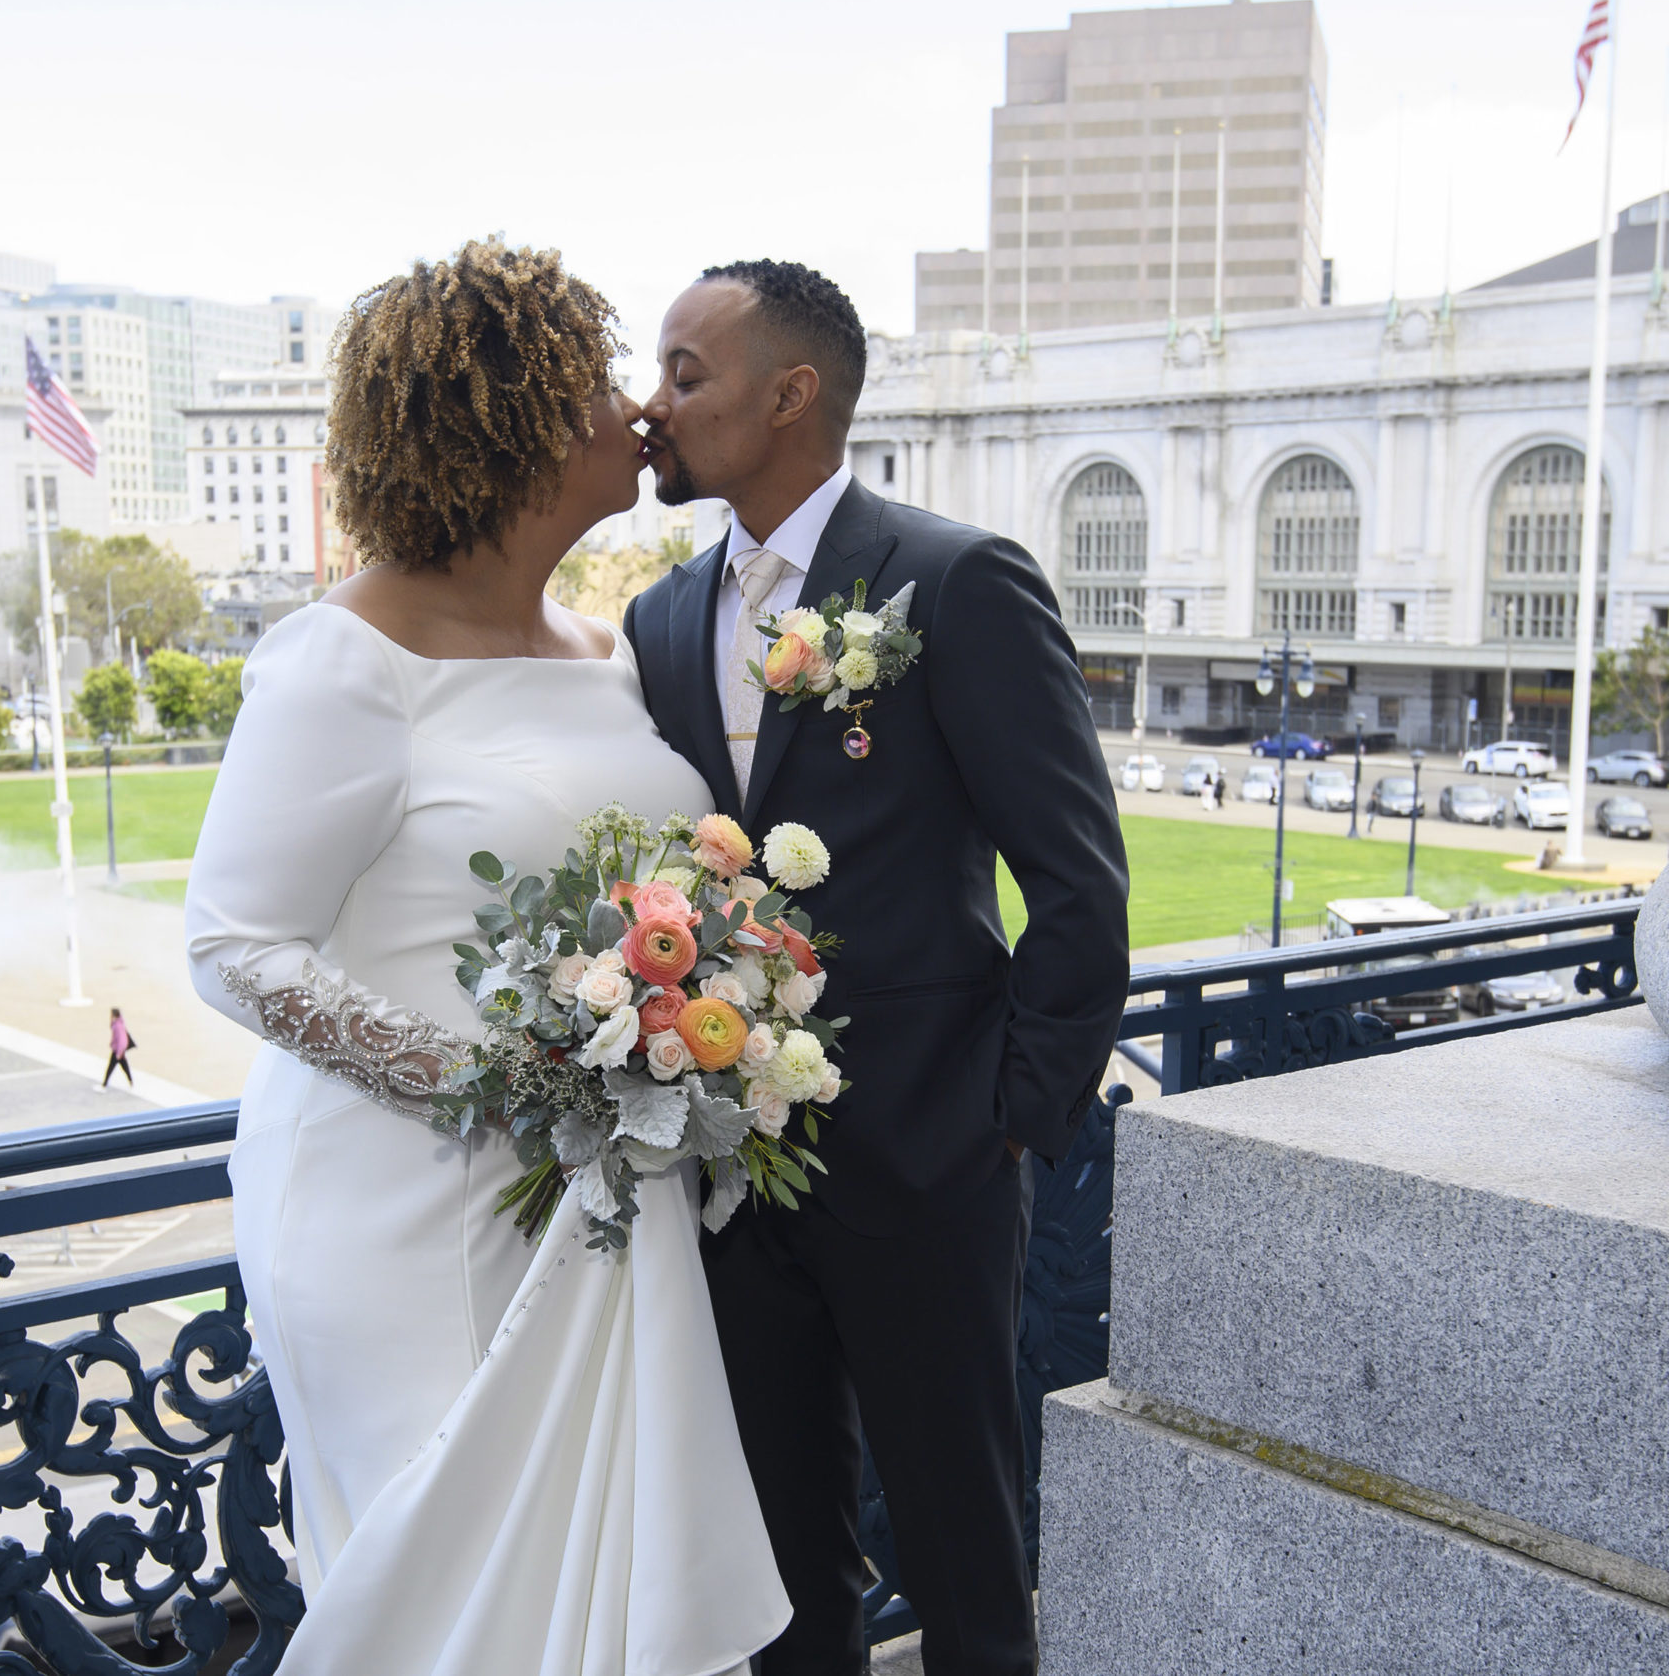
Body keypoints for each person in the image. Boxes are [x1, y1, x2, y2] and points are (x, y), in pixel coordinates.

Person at [184, 239, 785, 1675]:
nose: (638, 410)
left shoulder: (601, 648)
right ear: (508, 423)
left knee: (598, 1599)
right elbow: (234, 947)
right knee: (449, 1599)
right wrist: (507, 1087)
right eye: (595, 384)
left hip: (596, 1198)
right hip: (402, 1205)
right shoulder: (345, 660)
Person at [623, 260, 1129, 1676]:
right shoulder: (662, 620)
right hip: (727, 1176)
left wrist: (1004, 1118)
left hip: (928, 1162)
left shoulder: (954, 581)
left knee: (963, 1555)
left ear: (792, 395)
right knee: (780, 1568)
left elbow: (1079, 883)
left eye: (683, 371)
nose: (650, 406)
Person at [98, 1008, 135, 1092]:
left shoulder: (118, 1026)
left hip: (118, 1051)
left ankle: (104, 1084)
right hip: (119, 1050)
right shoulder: (118, 1023)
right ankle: (130, 1081)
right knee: (124, 1066)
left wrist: (119, 1053)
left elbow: (122, 1040)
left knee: (111, 1067)